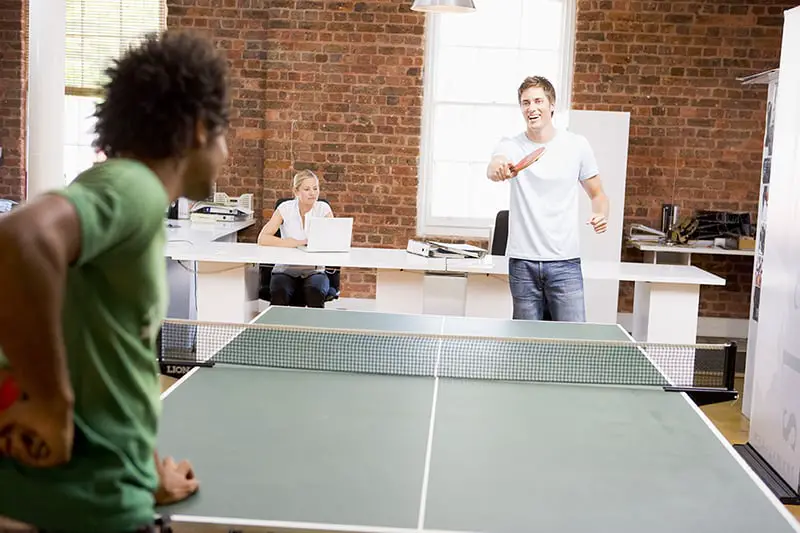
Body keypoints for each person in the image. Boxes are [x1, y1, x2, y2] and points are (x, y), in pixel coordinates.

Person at [0, 29, 230, 532]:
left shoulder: (120, 190)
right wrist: (48, 400)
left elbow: (105, 352)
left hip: (90, 491)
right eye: (223, 133)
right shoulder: (137, 186)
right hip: (86, 512)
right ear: (196, 130)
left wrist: (146, 471)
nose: (227, 153)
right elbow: (21, 238)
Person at [486, 75, 609, 322]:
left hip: (565, 263)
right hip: (523, 264)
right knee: (527, 346)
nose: (531, 108)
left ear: (552, 105)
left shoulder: (577, 145)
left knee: (572, 343)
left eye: (538, 101)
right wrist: (499, 169)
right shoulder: (510, 145)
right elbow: (494, 166)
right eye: (525, 103)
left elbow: (598, 194)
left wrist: (600, 213)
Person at [257, 170, 333, 308]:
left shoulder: (324, 209)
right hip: (285, 270)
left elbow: (334, 240)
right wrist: (293, 243)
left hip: (314, 270)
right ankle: (276, 329)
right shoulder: (285, 208)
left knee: (315, 290)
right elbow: (263, 238)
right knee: (280, 290)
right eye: (307, 189)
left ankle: (314, 329)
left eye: (315, 188)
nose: (313, 193)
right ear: (296, 191)